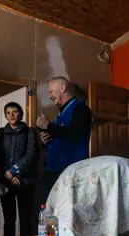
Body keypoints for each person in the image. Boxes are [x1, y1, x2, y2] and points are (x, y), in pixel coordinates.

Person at [0, 102, 39, 236]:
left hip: (25, 183)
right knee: (9, 221)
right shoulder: (0, 134)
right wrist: (7, 175)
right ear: (5, 116)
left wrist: (14, 173)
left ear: (21, 115)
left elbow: (31, 155)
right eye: (8, 113)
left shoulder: (30, 132)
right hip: (7, 184)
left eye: (15, 112)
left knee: (26, 221)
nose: (12, 115)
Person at [36, 76, 92, 206]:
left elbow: (75, 135)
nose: (50, 96)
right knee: (48, 216)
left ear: (63, 88)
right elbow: (62, 138)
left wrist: (48, 126)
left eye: (51, 91)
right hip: (54, 173)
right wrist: (46, 141)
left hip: (71, 174)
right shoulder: (60, 116)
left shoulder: (80, 109)